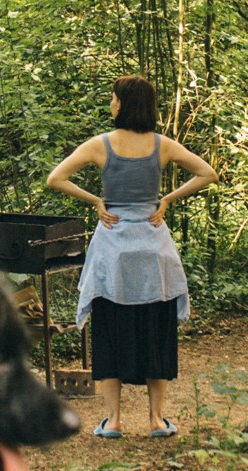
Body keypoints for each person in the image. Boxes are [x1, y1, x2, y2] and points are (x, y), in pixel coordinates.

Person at [45, 77, 216, 437]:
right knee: (156, 327)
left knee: (109, 329)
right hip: (154, 251)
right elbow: (207, 173)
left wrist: (96, 201)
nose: (110, 104)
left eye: (112, 99)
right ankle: (156, 420)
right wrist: (167, 198)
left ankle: (113, 420)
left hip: (114, 251)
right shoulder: (162, 145)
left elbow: (55, 179)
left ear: (122, 104)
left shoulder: (101, 145)